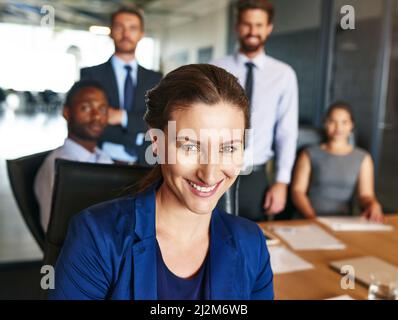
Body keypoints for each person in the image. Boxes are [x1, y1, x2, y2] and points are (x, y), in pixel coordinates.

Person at [48, 64, 274, 300]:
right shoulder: (96, 238)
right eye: (190, 146)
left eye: (228, 148)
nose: (209, 174)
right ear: (156, 142)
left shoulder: (252, 244)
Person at [212, 0, 298, 221]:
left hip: (256, 176)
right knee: (211, 238)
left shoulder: (283, 74)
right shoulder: (215, 68)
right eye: (247, 24)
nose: (252, 31)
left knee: (253, 241)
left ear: (269, 28)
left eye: (259, 25)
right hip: (216, 171)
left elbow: (286, 133)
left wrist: (281, 182)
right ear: (237, 27)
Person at [80, 6, 162, 165]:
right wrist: (138, 128)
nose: (126, 34)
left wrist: (120, 117)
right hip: (98, 161)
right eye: (119, 27)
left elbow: (158, 122)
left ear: (141, 34)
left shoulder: (155, 79)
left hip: (144, 163)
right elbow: (87, 121)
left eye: (132, 28)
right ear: (111, 31)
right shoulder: (91, 75)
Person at [34, 80, 113, 231]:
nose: (96, 116)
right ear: (66, 113)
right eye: (86, 108)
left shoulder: (103, 158)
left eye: (102, 109)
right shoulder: (59, 168)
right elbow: (55, 234)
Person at [291, 102, 384, 222]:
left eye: (344, 122)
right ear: (325, 124)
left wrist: (373, 204)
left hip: (343, 223)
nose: (338, 127)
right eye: (332, 121)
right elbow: (297, 191)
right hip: (309, 219)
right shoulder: (308, 153)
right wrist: (312, 218)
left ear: (351, 125)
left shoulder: (363, 158)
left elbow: (365, 195)